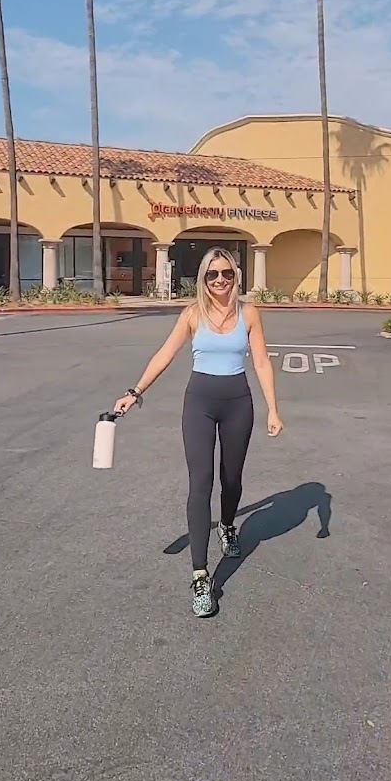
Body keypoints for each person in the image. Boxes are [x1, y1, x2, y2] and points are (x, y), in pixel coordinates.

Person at [114, 246, 283, 617]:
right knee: (201, 482)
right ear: (203, 279)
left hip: (238, 403)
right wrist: (134, 392)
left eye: (227, 273)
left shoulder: (249, 313)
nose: (220, 280)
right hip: (200, 405)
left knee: (231, 479)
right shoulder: (192, 314)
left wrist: (273, 408)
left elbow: (261, 361)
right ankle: (200, 575)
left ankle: (227, 525)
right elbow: (164, 354)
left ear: (235, 276)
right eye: (212, 274)